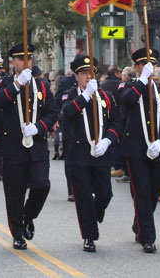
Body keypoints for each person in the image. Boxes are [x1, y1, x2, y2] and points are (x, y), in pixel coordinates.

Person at [0, 43, 58, 250]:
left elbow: (52, 112)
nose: (25, 62)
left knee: (42, 184)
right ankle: (18, 233)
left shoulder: (43, 86)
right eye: (20, 58)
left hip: (36, 146)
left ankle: (28, 216)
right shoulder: (5, 83)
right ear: (13, 61)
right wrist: (17, 85)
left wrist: (39, 127)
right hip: (12, 147)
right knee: (15, 193)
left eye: (29, 58)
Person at [118, 48, 160, 253]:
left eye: (151, 64)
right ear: (136, 67)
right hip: (135, 149)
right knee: (141, 190)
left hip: (157, 149)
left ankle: (139, 222)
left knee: (153, 190)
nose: (148, 68)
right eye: (143, 64)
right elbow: (126, 101)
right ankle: (148, 237)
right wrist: (142, 80)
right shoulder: (128, 87)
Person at [62, 55, 121, 252]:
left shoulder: (105, 96)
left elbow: (116, 123)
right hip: (78, 155)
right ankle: (89, 236)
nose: (88, 77)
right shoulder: (70, 95)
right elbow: (67, 114)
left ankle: (95, 213)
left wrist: (108, 140)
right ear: (76, 77)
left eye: (91, 72)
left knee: (105, 194)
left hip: (100, 154)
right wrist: (85, 95)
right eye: (84, 73)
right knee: (84, 197)